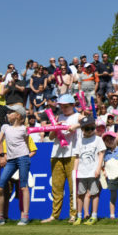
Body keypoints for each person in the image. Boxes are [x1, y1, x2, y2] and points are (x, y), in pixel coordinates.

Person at [0, 105, 31, 226]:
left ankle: (25, 217)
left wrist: (26, 157)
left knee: (23, 187)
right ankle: (0, 217)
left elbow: (27, 144)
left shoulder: (24, 129)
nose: (7, 113)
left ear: (18, 115)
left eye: (11, 112)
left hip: (23, 158)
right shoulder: (5, 127)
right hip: (10, 160)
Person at [41, 94, 81, 223]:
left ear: (73, 105)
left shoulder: (78, 117)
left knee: (73, 187)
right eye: (61, 106)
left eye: (66, 106)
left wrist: (75, 126)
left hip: (73, 154)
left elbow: (92, 122)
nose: (63, 108)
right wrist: (56, 126)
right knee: (57, 187)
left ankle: (73, 215)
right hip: (57, 154)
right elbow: (52, 137)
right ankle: (54, 215)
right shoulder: (58, 117)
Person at [73, 117, 106, 225]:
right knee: (80, 194)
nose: (91, 131)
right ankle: (79, 216)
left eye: (92, 128)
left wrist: (98, 168)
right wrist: (75, 171)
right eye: (88, 129)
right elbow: (77, 157)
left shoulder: (98, 139)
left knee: (94, 193)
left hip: (93, 171)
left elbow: (101, 154)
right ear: (82, 129)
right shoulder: (79, 140)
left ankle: (94, 215)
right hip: (82, 172)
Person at [102, 131, 118, 219]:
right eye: (107, 140)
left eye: (111, 139)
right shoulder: (105, 153)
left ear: (115, 139)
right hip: (111, 177)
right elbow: (103, 165)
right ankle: (112, 216)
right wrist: (104, 171)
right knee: (113, 195)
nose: (110, 141)